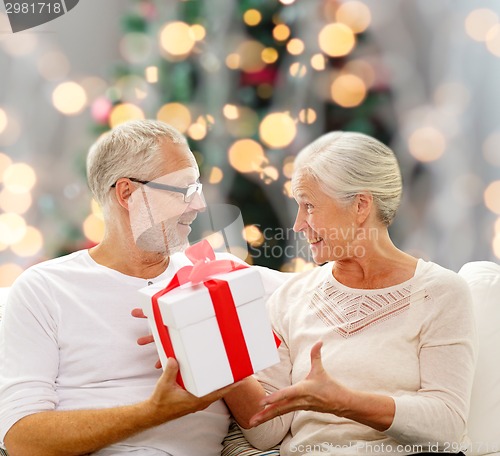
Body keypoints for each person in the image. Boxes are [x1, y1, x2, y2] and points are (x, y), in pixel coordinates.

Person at [0, 119, 287, 456]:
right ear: (127, 193)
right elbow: (22, 439)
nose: (198, 205)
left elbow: (262, 425)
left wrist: (210, 342)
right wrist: (154, 412)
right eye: (184, 190)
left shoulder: (212, 275)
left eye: (197, 189)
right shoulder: (44, 288)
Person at [242, 131, 477, 455]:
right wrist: (216, 362)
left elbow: (447, 425)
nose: (298, 224)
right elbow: (265, 430)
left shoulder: (440, 293)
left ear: (361, 205)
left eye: (309, 206)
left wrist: (345, 403)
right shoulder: (289, 297)